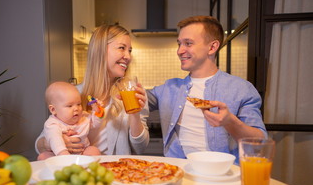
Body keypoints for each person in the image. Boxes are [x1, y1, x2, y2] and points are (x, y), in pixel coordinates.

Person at [147, 16, 267, 160]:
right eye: (179, 44)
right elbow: (134, 97)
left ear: (212, 47)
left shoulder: (242, 89)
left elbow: (260, 142)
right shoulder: (169, 88)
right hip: (177, 171)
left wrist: (230, 122)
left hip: (222, 176)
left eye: (188, 43)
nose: (180, 51)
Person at [35, 24, 149, 156]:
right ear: (100, 50)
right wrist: (54, 143)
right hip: (80, 172)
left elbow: (141, 148)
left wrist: (135, 115)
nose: (128, 56)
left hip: (115, 171)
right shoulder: (74, 93)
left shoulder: (133, 93)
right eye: (122, 48)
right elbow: (40, 142)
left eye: (130, 50)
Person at [37, 81, 102, 160]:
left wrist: (97, 111)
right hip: (58, 155)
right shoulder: (52, 124)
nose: (76, 109)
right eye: (69, 106)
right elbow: (55, 139)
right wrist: (63, 154)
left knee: (93, 150)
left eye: (78, 104)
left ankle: (88, 169)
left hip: (82, 152)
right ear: (53, 109)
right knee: (43, 156)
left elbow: (95, 124)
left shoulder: (83, 117)